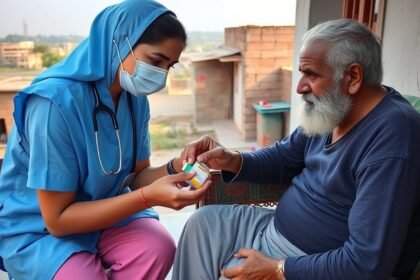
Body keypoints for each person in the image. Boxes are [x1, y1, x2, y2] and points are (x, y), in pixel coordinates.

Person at [172, 19, 420, 280]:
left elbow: (366, 263)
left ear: (353, 77)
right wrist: (231, 159)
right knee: (202, 224)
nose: (300, 86)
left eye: (311, 74)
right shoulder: (334, 110)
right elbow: (282, 158)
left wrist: (277, 269)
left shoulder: (394, 139)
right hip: (271, 229)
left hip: (312, 265)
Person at [0, 1, 211, 279]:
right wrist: (148, 198)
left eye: (169, 67)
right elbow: (58, 220)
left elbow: (135, 178)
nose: (160, 76)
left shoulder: (135, 100)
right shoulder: (54, 104)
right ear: (119, 42)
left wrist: (178, 167)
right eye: (156, 61)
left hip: (106, 210)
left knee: (158, 247)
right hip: (39, 227)